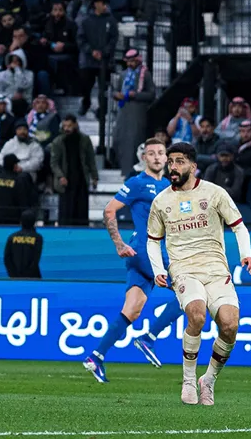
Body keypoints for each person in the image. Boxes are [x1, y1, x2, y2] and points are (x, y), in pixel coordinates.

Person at [147, 142, 251, 406]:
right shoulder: (161, 201)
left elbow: (239, 227)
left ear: (193, 166)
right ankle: (187, 381)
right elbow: (153, 239)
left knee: (230, 326)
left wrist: (246, 253)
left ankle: (208, 380)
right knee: (196, 314)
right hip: (183, 268)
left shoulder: (215, 193)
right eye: (171, 161)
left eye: (180, 161)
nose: (173, 166)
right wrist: (158, 270)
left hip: (216, 269)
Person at [84, 139, 183, 383]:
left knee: (132, 309)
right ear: (144, 158)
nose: (158, 158)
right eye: (152, 154)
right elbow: (109, 210)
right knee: (189, 292)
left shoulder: (171, 186)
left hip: (156, 252)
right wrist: (118, 244)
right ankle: (149, 338)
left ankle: (96, 356)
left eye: (161, 153)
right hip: (146, 251)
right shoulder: (138, 183)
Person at [51, 114, 98, 226]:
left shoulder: (85, 140)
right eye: (65, 126)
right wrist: (60, 176)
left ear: (75, 125)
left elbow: (91, 159)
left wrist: (94, 176)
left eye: (69, 126)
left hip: (81, 178)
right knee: (66, 210)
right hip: (65, 180)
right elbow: (54, 162)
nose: (67, 128)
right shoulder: (58, 141)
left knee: (81, 209)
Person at [4, 209, 43, 278]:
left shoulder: (12, 237)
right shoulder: (38, 238)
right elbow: (35, 259)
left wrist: (13, 275)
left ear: (21, 222)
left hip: (15, 277)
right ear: (34, 223)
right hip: (33, 277)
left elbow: (7, 258)